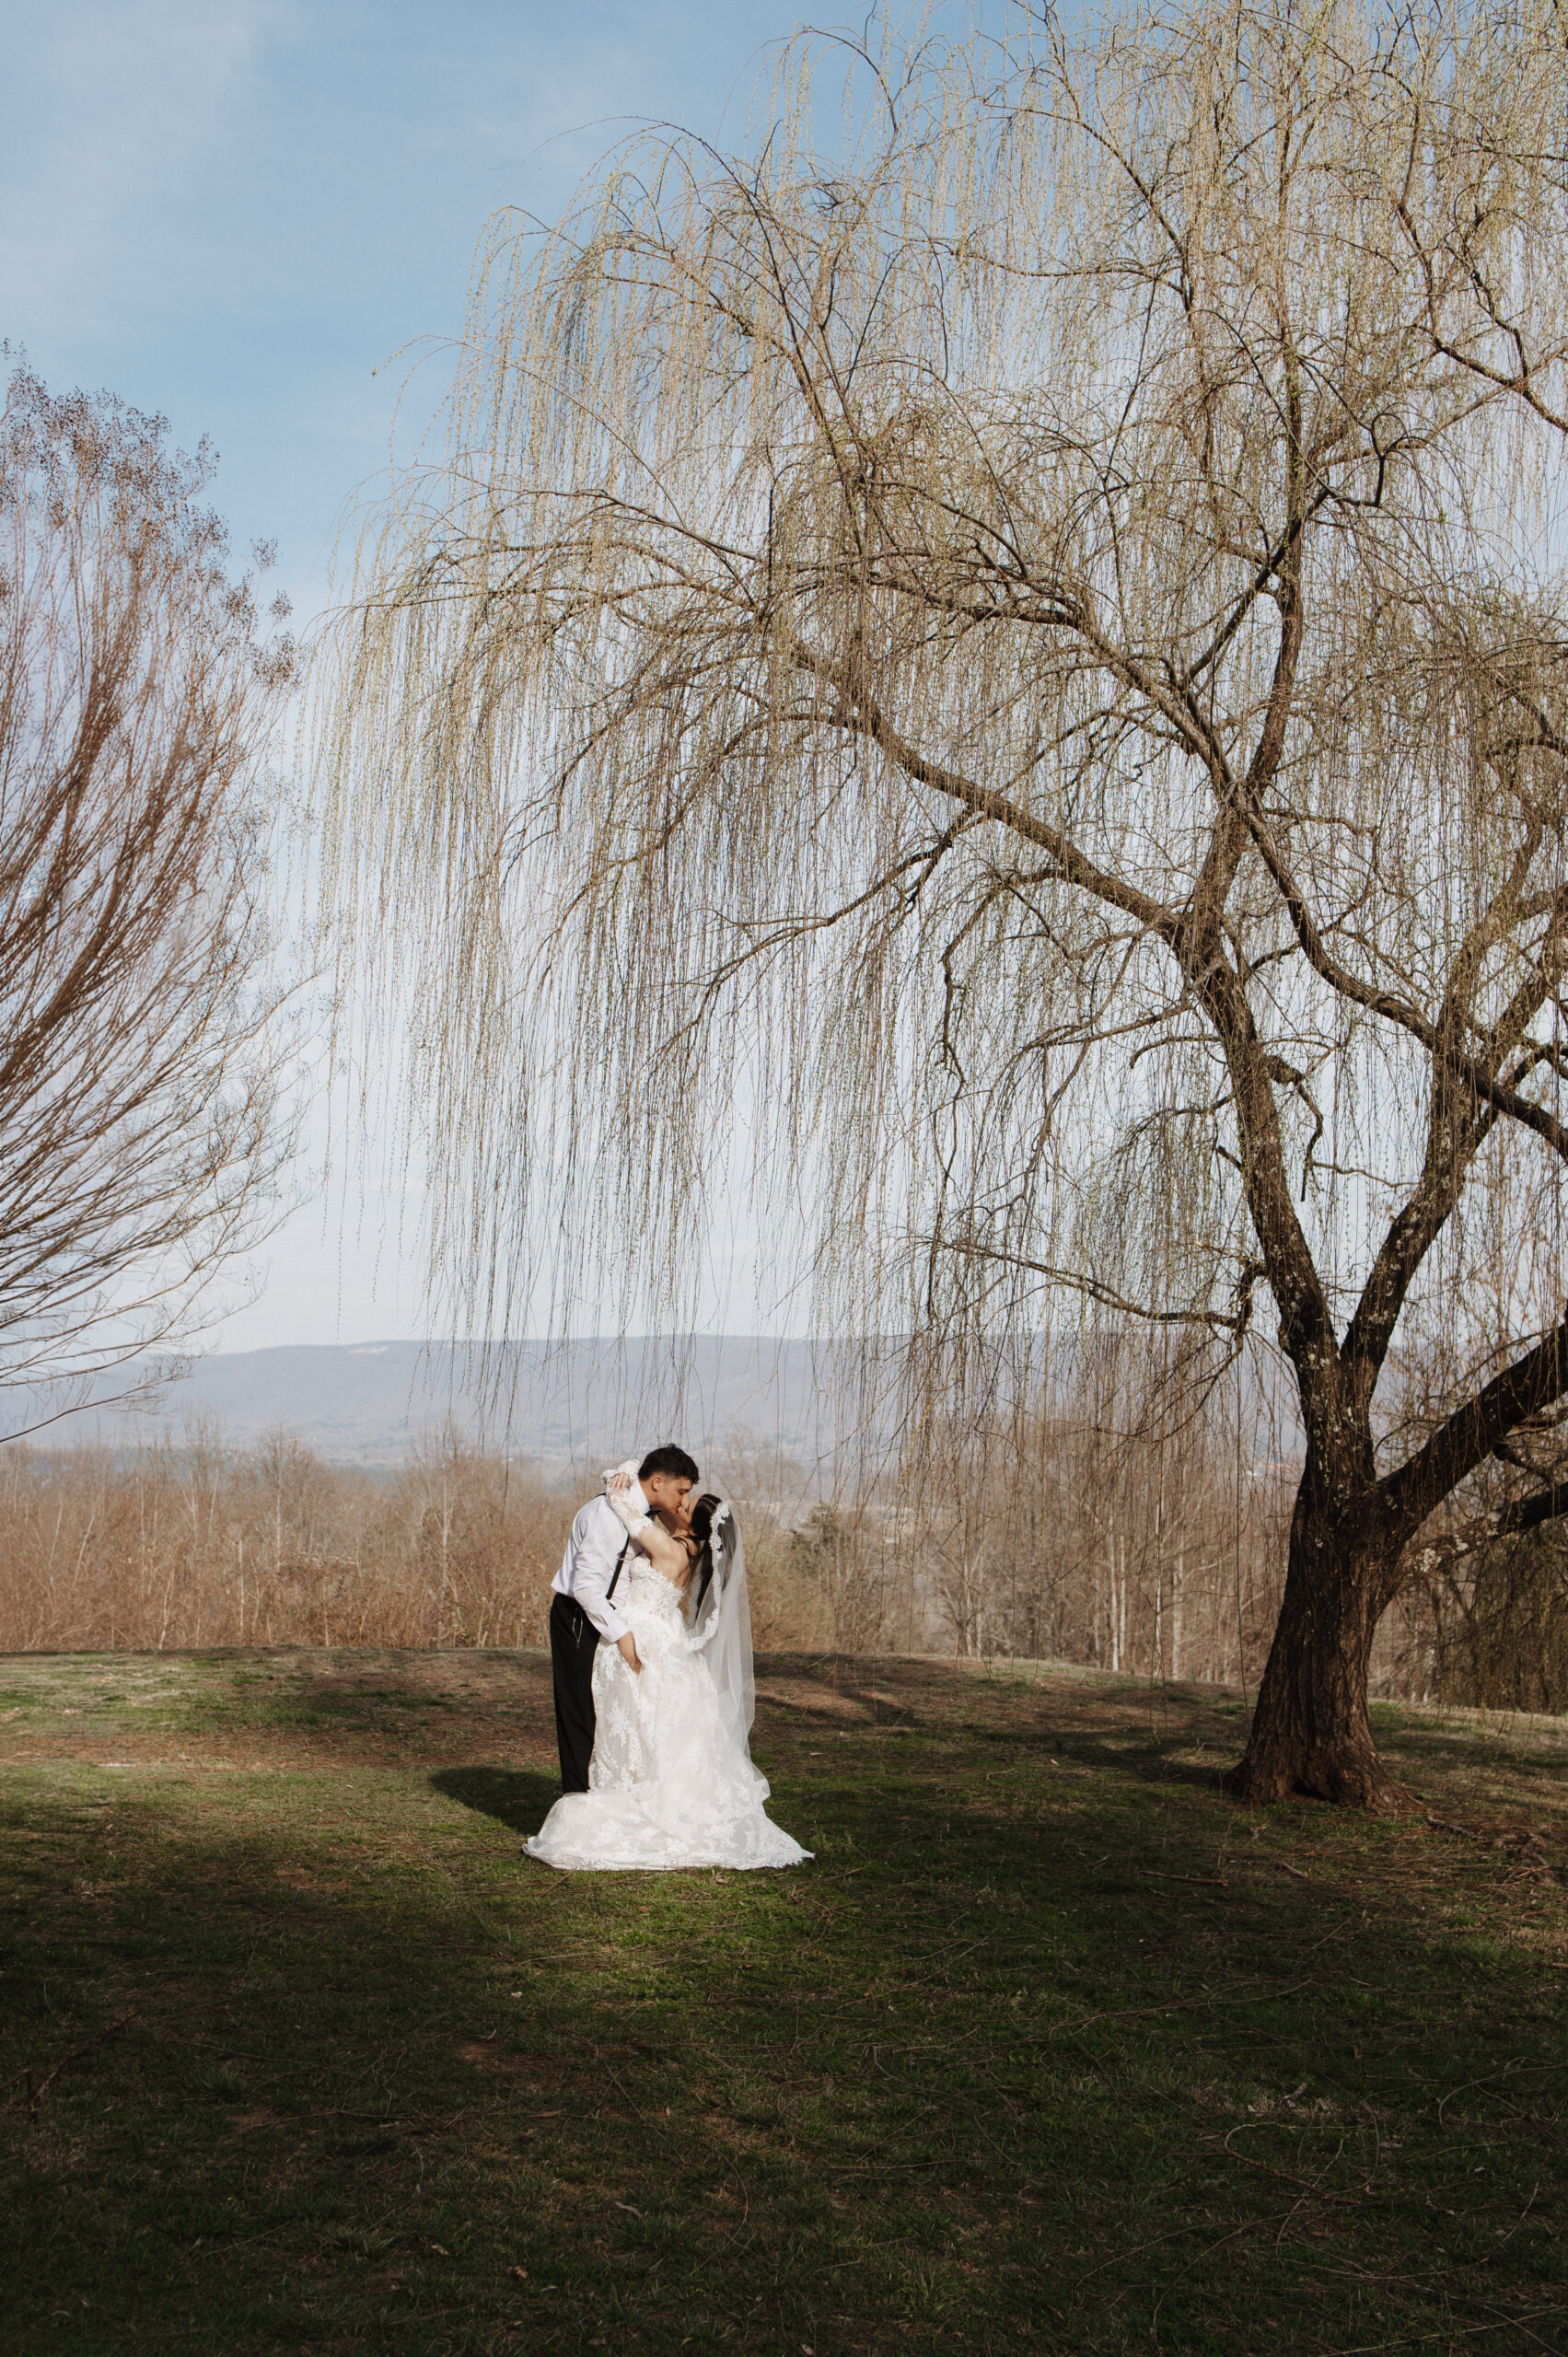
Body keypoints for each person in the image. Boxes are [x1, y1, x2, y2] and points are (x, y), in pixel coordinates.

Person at [527, 1457, 810, 1872]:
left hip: (641, 1634)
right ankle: (621, 1790)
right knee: (649, 1723)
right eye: (683, 1494)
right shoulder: (681, 1545)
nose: (680, 1503)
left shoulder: (673, 1548)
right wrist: (627, 1475)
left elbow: (626, 1509)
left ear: (694, 1527)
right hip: (656, 1633)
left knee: (633, 1716)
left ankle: (616, 1802)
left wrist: (615, 1483)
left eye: (686, 1504)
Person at [547, 1444, 698, 1794]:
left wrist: (625, 1470)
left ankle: (603, 1795)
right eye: (682, 1491)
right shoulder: (608, 1515)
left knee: (606, 1711)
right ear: (658, 1482)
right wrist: (621, 1635)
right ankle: (578, 1802)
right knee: (579, 1713)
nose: (682, 1500)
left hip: (608, 1617)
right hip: (580, 1618)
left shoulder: (633, 1508)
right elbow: (585, 1588)